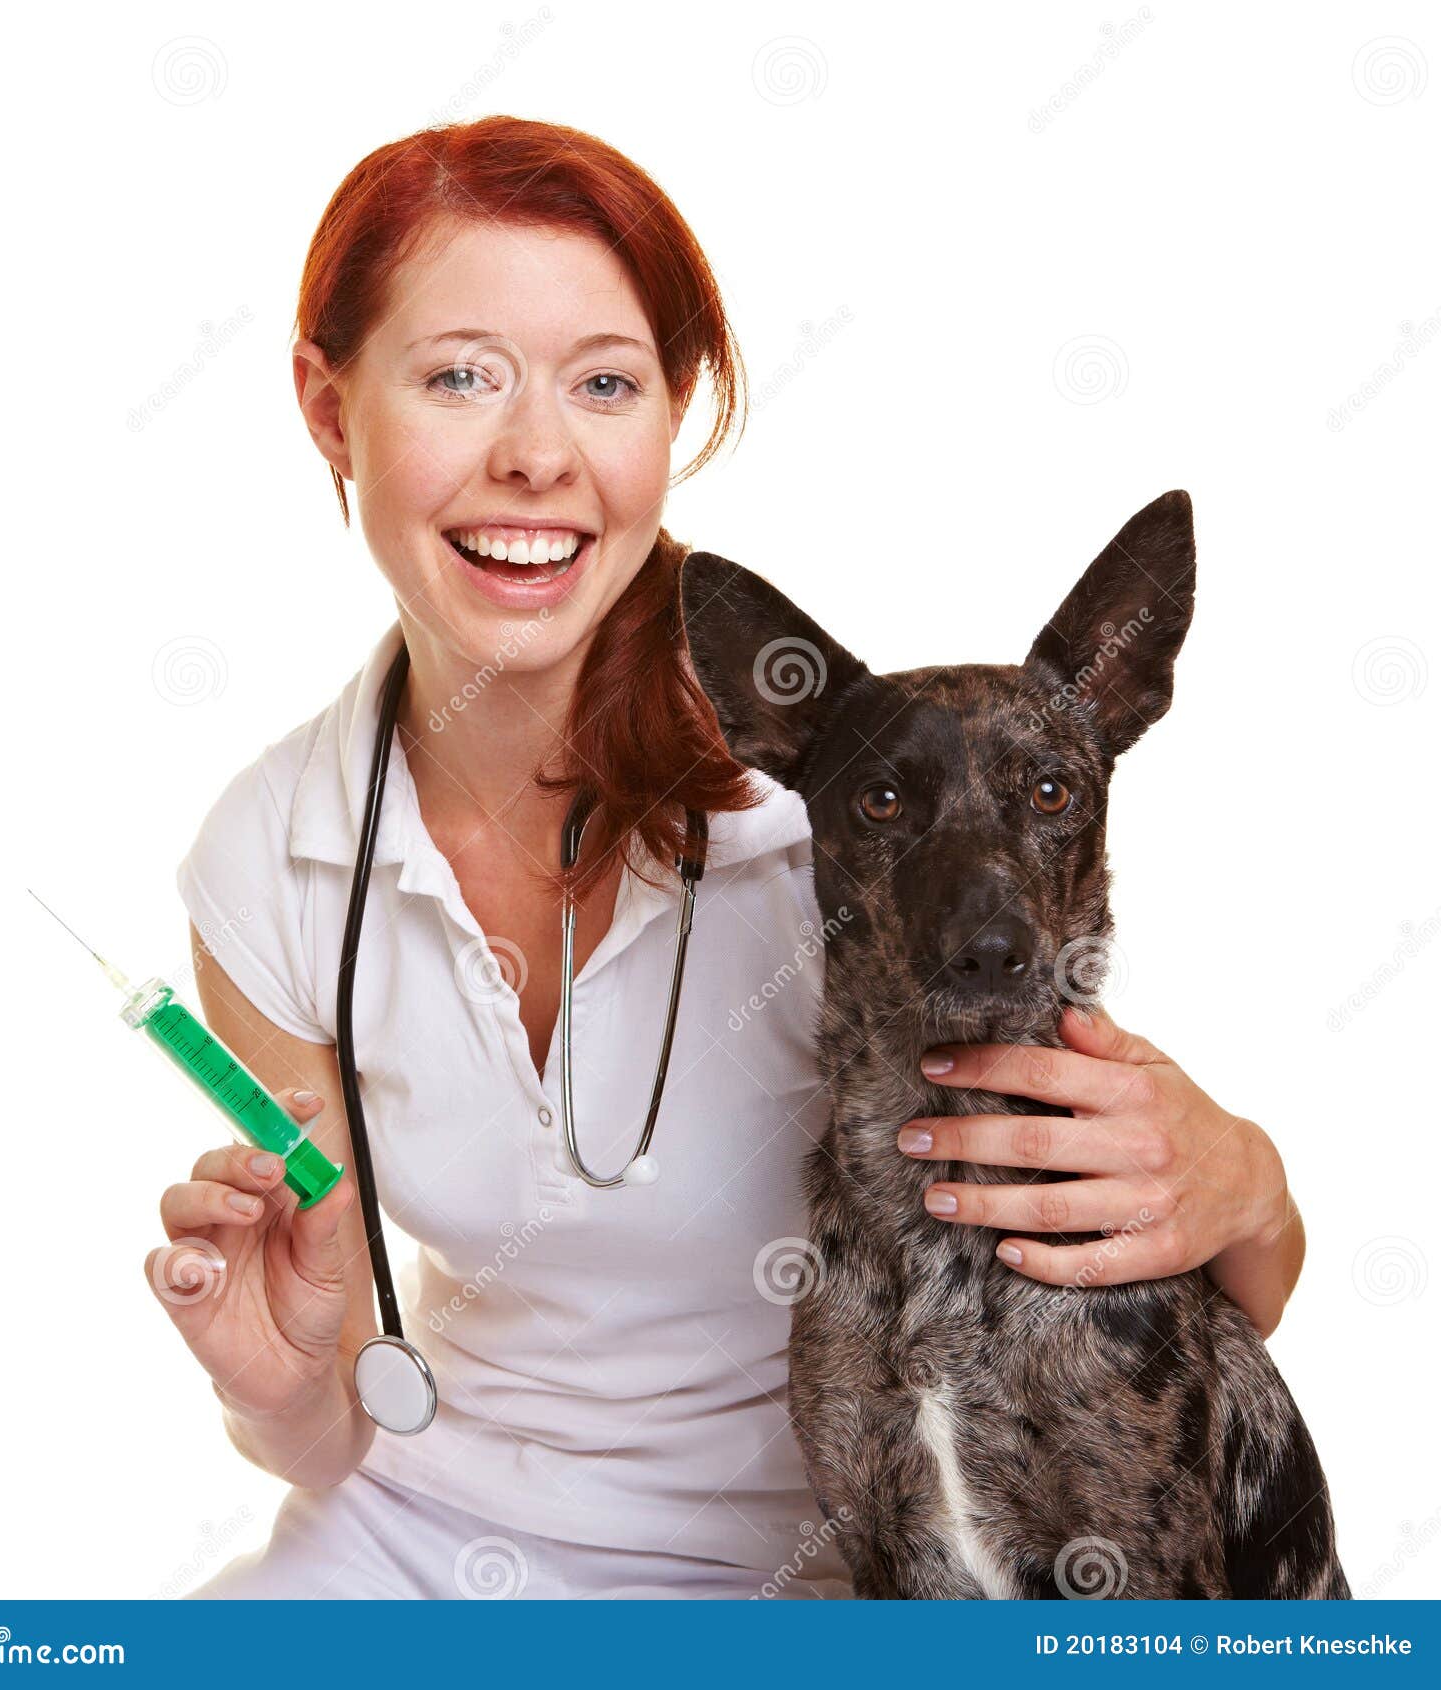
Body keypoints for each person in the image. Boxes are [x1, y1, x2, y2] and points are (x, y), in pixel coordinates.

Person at [148, 117, 1307, 1601]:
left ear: (670, 414)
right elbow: (332, 1434)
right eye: (457, 375)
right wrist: (276, 1377)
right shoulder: (274, 858)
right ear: (329, 407)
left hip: (811, 1569)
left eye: (606, 383)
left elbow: (1189, 1325)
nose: (534, 455)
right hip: (423, 1543)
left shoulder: (847, 801)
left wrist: (1252, 1186)